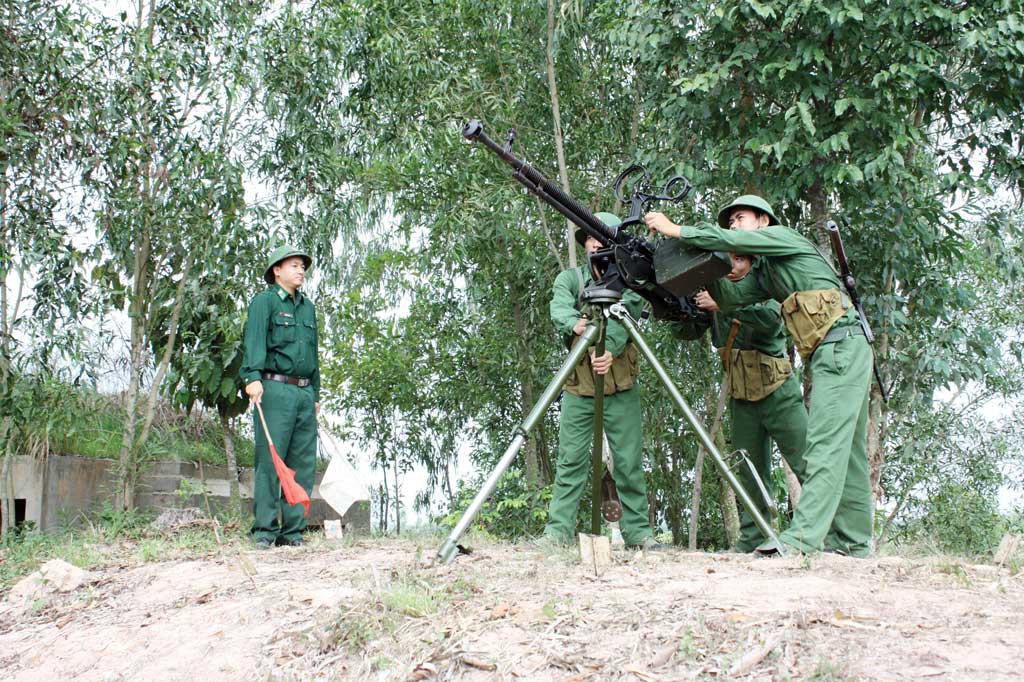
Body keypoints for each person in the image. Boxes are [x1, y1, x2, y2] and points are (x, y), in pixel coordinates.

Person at [646, 196, 873, 556]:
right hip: (833, 351)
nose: (733, 225)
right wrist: (703, 270)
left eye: (739, 218)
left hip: (842, 345)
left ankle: (801, 541)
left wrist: (678, 231)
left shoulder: (784, 238)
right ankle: (855, 544)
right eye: (730, 221)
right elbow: (733, 298)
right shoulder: (767, 276)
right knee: (852, 455)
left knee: (824, 446)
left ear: (763, 222)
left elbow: (732, 244)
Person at [673, 253, 807, 552]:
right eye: (728, 261)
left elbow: (772, 320)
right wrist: (676, 310)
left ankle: (829, 531)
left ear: (751, 261)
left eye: (739, 260)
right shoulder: (716, 289)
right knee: (749, 469)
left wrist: (724, 304)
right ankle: (753, 537)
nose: (732, 267)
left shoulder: (765, 282)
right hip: (741, 394)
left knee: (805, 462)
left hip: (778, 389)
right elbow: (689, 331)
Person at [542, 213, 658, 550]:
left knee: (628, 463)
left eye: (604, 238)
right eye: (591, 239)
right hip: (580, 390)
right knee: (570, 462)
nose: (597, 244)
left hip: (620, 389)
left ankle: (638, 533)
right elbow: (559, 309)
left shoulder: (630, 281)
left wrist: (612, 348)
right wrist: (579, 327)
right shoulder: (571, 280)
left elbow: (629, 316)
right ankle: (558, 532)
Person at [240, 245, 321, 549]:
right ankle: (264, 530)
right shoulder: (265, 302)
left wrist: (315, 392)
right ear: (277, 270)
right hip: (274, 388)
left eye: (303, 266)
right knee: (271, 461)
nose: (301, 271)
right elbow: (255, 340)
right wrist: (252, 377)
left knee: (301, 462)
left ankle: (293, 531)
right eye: (295, 266)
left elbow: (313, 354)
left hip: (303, 391)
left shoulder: (308, 308)